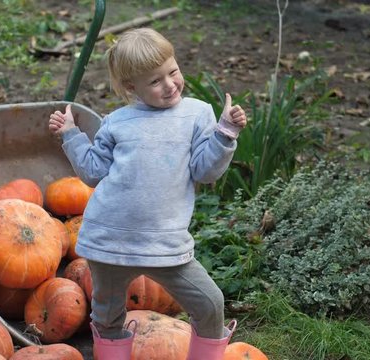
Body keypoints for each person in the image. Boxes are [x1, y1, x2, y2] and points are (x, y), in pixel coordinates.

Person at [48, 27, 247, 360]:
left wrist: (224, 134)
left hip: (164, 243)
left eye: (173, 72)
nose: (170, 85)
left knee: (210, 303)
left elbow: (206, 171)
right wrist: (71, 134)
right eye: (155, 81)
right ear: (131, 87)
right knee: (107, 316)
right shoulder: (117, 122)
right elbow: (94, 173)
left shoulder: (196, 114)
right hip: (110, 241)